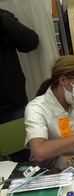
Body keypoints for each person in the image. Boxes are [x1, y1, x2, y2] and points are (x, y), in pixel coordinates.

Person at [0, 8, 39, 161]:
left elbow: (30, 43)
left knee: (23, 161)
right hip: (10, 105)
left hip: (9, 107)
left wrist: (2, 18)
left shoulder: (4, 17)